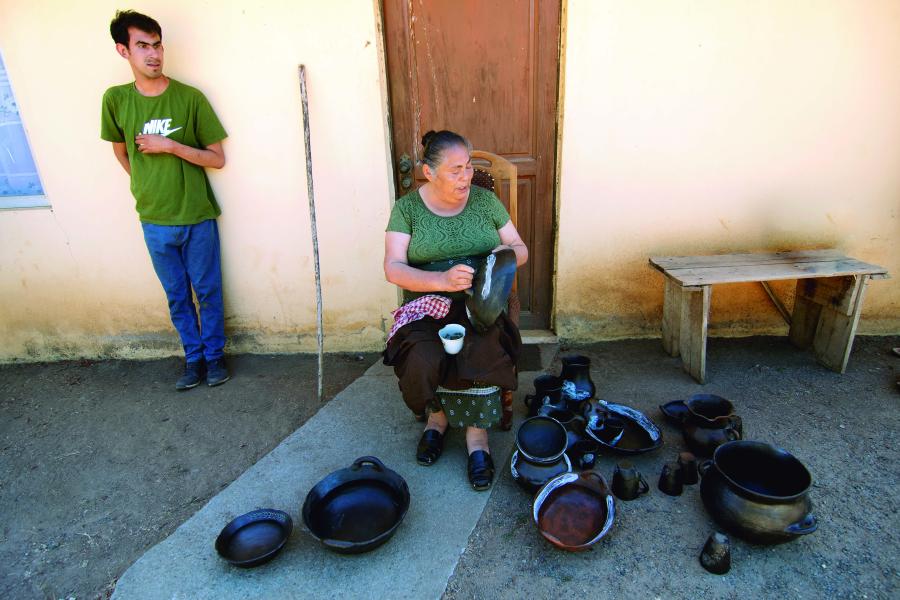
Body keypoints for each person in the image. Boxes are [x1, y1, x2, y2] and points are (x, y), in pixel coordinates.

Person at [383, 130, 528, 490]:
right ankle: (437, 419)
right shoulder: (407, 209)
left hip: (481, 301)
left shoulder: (485, 202)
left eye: (469, 167)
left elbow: (519, 246)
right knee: (422, 355)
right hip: (427, 301)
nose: (466, 177)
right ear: (429, 173)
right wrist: (442, 282)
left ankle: (476, 438)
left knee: (484, 349)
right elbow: (393, 268)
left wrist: (501, 257)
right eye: (456, 169)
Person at [101, 10, 230, 390]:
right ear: (123, 50)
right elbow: (121, 153)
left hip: (197, 215)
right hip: (154, 220)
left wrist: (171, 146)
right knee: (177, 296)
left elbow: (216, 158)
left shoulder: (190, 98)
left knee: (207, 292)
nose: (154, 54)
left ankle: (215, 357)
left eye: (157, 44)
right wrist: (146, 185)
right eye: (143, 45)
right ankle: (193, 360)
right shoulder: (116, 100)